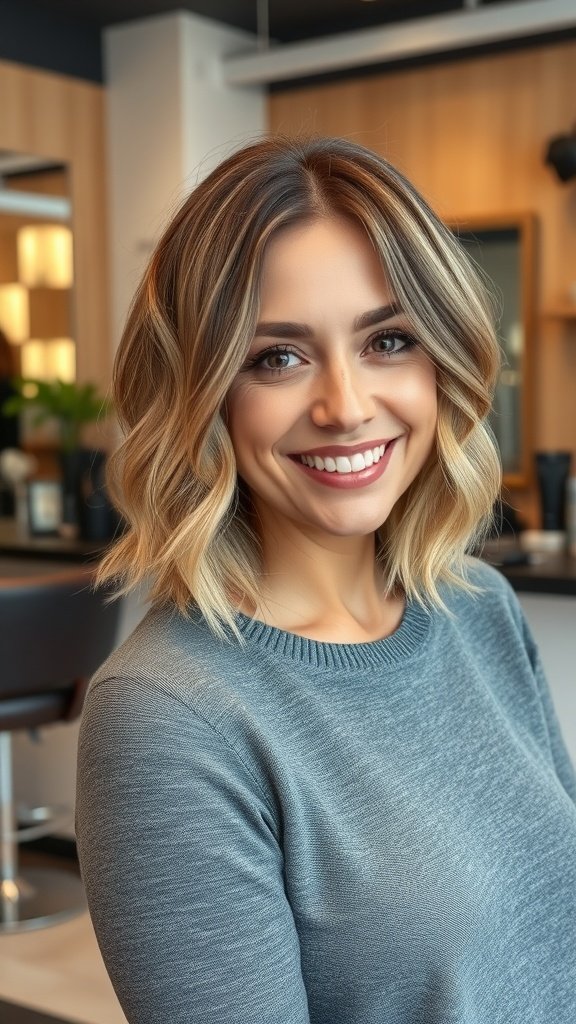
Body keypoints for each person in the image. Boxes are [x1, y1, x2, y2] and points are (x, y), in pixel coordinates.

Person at [76, 136, 576, 1024]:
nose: (345, 405)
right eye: (278, 356)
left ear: (441, 361)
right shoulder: (168, 714)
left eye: (388, 340)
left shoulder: (477, 607)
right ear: (202, 392)